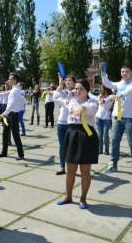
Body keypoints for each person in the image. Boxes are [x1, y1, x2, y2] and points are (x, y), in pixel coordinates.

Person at [56, 79, 99, 210]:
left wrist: (82, 107)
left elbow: (92, 109)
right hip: (72, 135)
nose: (78, 91)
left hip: (86, 136)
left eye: (81, 89)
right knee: (70, 171)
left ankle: (83, 198)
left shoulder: (92, 101)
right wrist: (61, 84)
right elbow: (56, 97)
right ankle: (68, 196)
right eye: (76, 88)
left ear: (87, 90)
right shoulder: (71, 101)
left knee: (85, 171)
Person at [101, 64, 132, 177]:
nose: (124, 73)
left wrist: (120, 94)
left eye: (126, 71)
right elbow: (107, 83)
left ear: (131, 72)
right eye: (122, 71)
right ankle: (113, 164)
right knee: (115, 141)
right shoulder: (119, 84)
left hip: (131, 118)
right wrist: (103, 73)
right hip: (117, 117)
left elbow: (130, 91)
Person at [0, 72, 25, 160]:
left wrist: (3, 114)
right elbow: (6, 94)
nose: (9, 80)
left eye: (10, 78)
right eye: (8, 78)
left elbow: (12, 104)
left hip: (12, 115)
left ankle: (21, 154)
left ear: (15, 80)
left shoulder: (15, 90)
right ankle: (4, 152)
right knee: (5, 133)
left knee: (15, 135)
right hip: (8, 115)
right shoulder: (13, 90)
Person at [53, 74, 76, 175]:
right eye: (66, 81)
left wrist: (60, 87)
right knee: (62, 146)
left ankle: (72, 166)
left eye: (69, 81)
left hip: (71, 124)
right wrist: (60, 84)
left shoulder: (75, 93)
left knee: (72, 146)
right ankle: (62, 166)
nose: (67, 82)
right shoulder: (63, 93)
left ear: (74, 83)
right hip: (61, 123)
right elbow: (55, 97)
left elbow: (64, 94)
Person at [92, 86, 113, 155]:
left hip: (106, 118)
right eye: (100, 88)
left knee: (105, 134)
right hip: (98, 117)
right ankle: (100, 149)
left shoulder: (111, 96)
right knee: (99, 134)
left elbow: (106, 100)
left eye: (102, 88)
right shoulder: (100, 96)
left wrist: (102, 100)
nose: (101, 89)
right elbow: (95, 99)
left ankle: (106, 150)